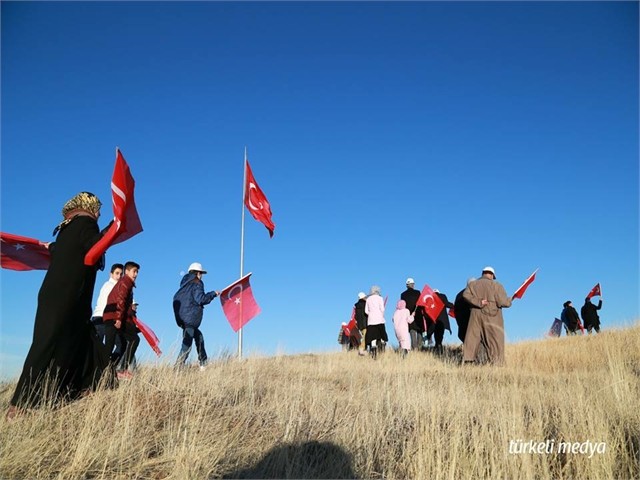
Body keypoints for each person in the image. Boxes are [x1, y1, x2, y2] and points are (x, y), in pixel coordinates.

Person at [8, 192, 114, 418]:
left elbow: (62, 251)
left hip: (62, 296)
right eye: (98, 208)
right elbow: (94, 246)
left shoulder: (67, 229)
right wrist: (115, 226)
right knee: (48, 343)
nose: (99, 213)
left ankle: (81, 387)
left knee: (81, 339)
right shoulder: (86, 223)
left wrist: (51, 247)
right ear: (89, 207)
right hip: (68, 296)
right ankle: (21, 404)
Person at [462, 266, 512, 365]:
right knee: (495, 340)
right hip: (492, 316)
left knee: (473, 338)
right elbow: (504, 302)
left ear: (483, 273)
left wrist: (478, 302)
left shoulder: (473, 284)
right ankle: (497, 363)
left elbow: (465, 295)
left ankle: (468, 361)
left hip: (475, 315)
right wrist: (510, 300)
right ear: (492, 275)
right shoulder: (496, 285)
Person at [174, 262, 219, 369]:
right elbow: (201, 299)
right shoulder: (197, 283)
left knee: (199, 337)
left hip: (182, 319)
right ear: (198, 273)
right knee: (187, 344)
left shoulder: (183, 286)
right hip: (190, 319)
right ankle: (178, 367)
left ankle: (203, 363)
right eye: (201, 273)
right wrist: (213, 294)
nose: (202, 276)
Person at [103, 261, 140, 379]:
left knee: (114, 345)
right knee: (134, 339)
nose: (136, 274)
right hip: (114, 316)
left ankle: (107, 371)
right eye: (134, 271)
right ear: (127, 271)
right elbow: (121, 300)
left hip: (111, 315)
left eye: (137, 272)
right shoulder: (126, 282)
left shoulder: (124, 282)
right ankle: (120, 368)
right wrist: (118, 318)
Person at [91, 263, 124, 342]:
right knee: (99, 347)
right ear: (111, 274)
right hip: (101, 318)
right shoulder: (110, 286)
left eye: (121, 274)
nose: (119, 276)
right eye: (117, 273)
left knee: (117, 344)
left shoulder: (114, 286)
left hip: (103, 318)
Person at [400, 278, 425, 350]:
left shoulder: (403, 295)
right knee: (420, 330)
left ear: (406, 285)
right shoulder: (418, 293)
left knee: (412, 330)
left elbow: (402, 305)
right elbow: (421, 303)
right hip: (418, 314)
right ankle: (419, 347)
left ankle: (414, 347)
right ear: (413, 284)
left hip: (408, 315)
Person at [364, 285, 387, 358]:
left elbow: (366, 311)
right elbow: (383, 309)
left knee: (372, 337)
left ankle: (374, 354)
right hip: (380, 319)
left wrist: (371, 313)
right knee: (382, 335)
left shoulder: (368, 299)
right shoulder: (380, 298)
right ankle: (382, 349)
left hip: (371, 320)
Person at [429, 289, 454, 354]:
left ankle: (437, 346)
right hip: (442, 319)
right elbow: (447, 304)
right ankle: (439, 346)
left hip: (433, 319)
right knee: (440, 334)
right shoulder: (442, 296)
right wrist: (453, 305)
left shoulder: (431, 297)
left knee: (435, 333)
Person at [119, 300, 141, 372]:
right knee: (129, 349)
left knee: (130, 351)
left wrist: (139, 329)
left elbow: (132, 328)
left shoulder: (133, 314)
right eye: (134, 305)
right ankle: (123, 368)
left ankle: (130, 370)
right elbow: (129, 326)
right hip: (126, 335)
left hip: (127, 335)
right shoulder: (129, 314)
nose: (136, 307)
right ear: (130, 305)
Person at [453, 278, 475, 343]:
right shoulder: (475, 293)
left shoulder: (459, 294)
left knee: (464, 337)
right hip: (472, 321)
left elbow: (455, 309)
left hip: (461, 321)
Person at [354, 292, 368, 356]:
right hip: (365, 323)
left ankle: (364, 350)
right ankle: (361, 349)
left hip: (359, 325)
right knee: (365, 337)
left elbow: (356, 317)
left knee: (363, 337)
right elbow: (367, 313)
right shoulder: (365, 304)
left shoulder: (356, 306)